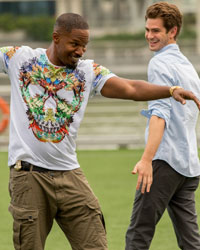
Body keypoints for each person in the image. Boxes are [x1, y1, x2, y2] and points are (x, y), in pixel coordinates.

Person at [0, 13, 199, 250]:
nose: (80, 51)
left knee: (96, 243)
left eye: (84, 46)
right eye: (75, 44)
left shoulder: (88, 72)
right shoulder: (19, 58)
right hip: (29, 176)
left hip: (69, 174)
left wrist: (170, 90)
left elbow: (131, 87)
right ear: (56, 38)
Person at [125, 2, 200, 250]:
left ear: (173, 31)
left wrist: (147, 160)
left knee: (138, 237)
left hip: (164, 162)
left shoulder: (159, 63)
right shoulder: (187, 66)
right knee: (191, 243)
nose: (149, 36)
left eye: (156, 30)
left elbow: (160, 115)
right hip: (188, 166)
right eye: (147, 29)